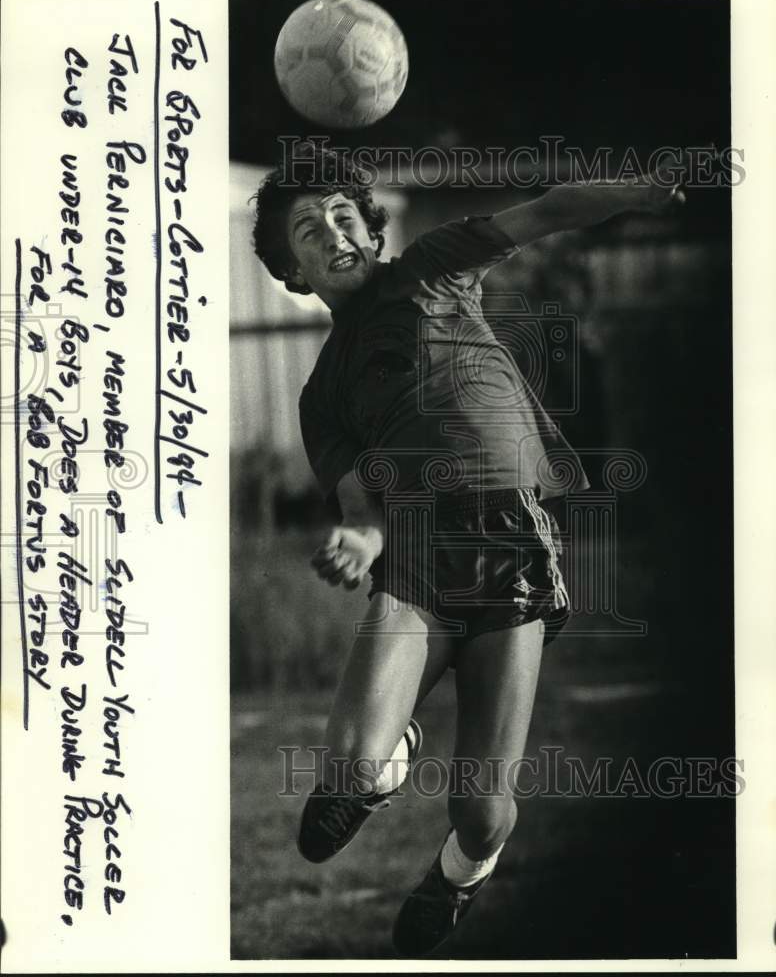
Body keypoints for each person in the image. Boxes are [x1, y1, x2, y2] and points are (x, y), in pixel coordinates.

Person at [251, 143, 685, 957]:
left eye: (345, 214)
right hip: (416, 560)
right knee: (345, 767)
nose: (333, 231)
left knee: (480, 809)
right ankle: (386, 762)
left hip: (512, 547)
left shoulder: (432, 268)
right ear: (294, 275)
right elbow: (361, 503)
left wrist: (634, 191)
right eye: (309, 230)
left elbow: (547, 212)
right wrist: (356, 535)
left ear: (374, 232)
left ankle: (461, 873)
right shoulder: (322, 397)